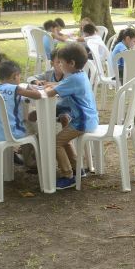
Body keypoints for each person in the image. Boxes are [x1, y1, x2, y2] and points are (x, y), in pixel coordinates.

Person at [43, 44, 98, 190]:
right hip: (88, 119)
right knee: (64, 140)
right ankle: (77, 169)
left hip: (82, 122)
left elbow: (49, 94)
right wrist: (52, 85)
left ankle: (68, 176)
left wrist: (43, 88)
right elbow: (61, 85)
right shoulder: (79, 75)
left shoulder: (73, 79)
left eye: (61, 62)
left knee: (55, 143)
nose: (59, 65)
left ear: (71, 63)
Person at [0, 60, 46, 171]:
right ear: (14, 76)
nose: (19, 79)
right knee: (36, 130)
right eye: (19, 76)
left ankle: (25, 157)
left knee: (25, 124)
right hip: (11, 133)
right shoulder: (16, 89)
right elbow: (37, 95)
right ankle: (31, 161)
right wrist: (28, 87)